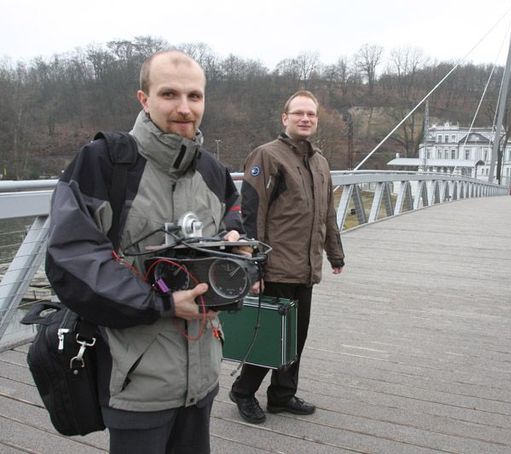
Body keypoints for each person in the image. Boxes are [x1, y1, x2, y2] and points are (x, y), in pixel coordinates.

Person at [45, 50, 243, 453]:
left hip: (202, 372)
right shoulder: (105, 161)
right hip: (136, 378)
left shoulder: (213, 171)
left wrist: (235, 260)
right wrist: (162, 304)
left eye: (195, 96)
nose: (184, 108)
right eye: (169, 94)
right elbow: (73, 258)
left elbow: (235, 227)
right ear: (144, 98)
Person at [229, 90, 345, 424]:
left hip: (305, 267)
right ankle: (243, 391)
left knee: (296, 337)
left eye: (311, 114)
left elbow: (328, 214)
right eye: (298, 113)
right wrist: (253, 267)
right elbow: (252, 215)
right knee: (269, 335)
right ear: (285, 118)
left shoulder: (320, 162)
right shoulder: (266, 156)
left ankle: (281, 396)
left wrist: (335, 254)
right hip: (275, 265)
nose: (305, 118)